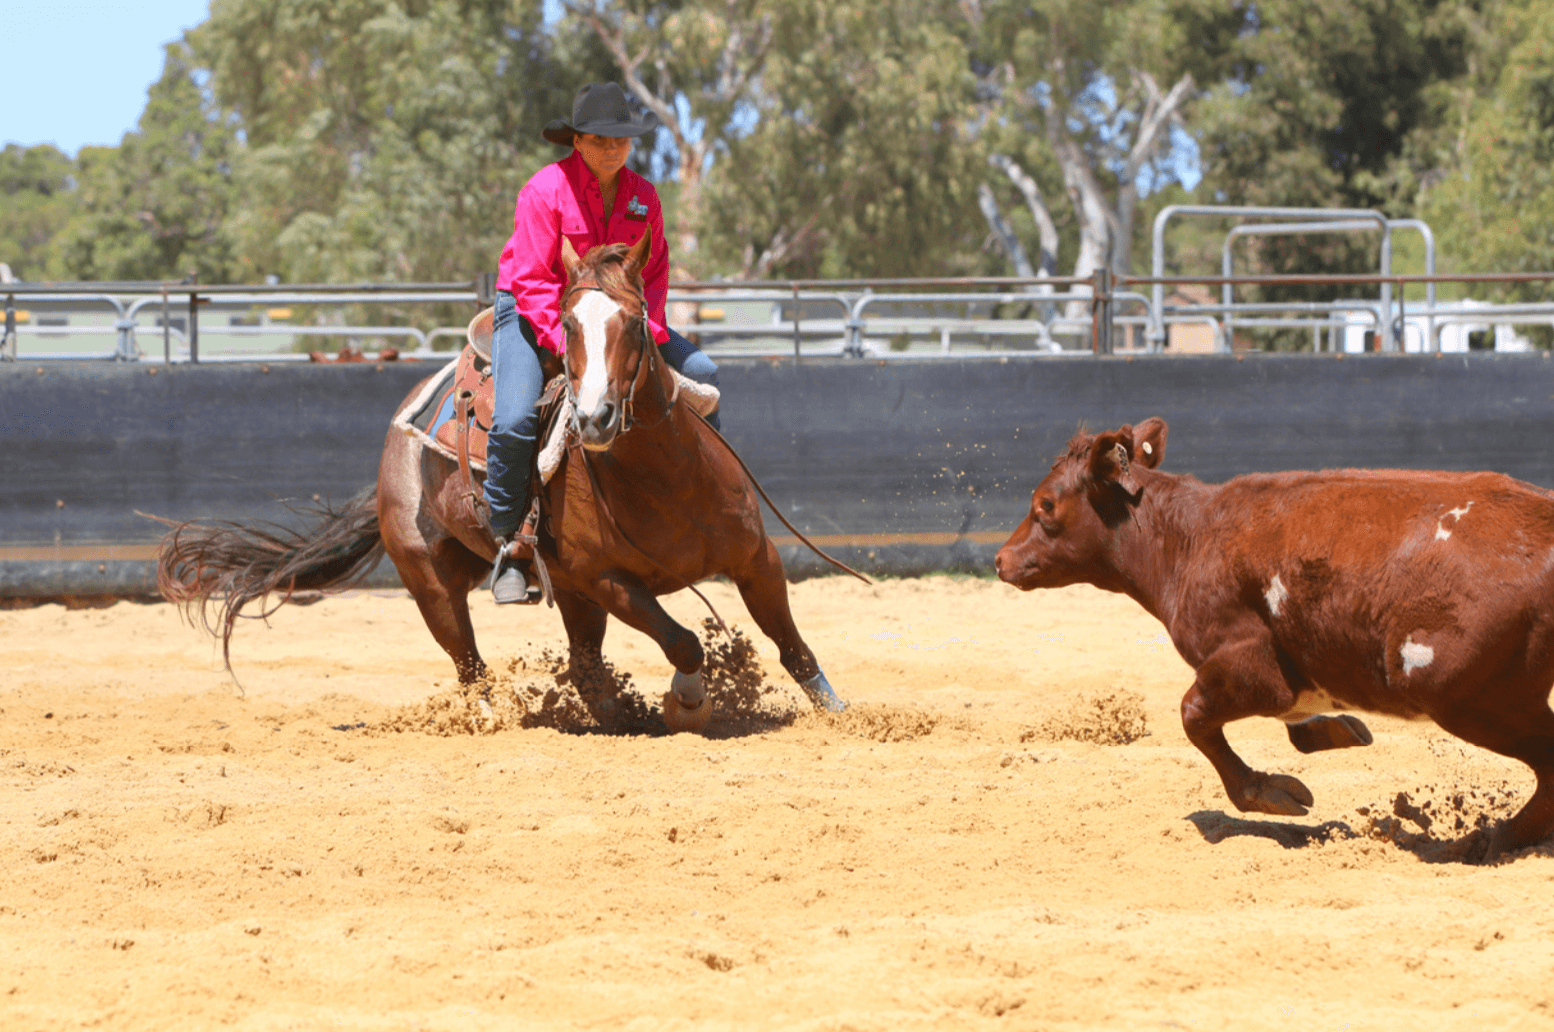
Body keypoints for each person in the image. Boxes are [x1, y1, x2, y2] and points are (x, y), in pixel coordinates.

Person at [486, 82, 721, 604]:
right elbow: (531, 279)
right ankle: (510, 544)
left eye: (621, 141)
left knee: (703, 373)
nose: (611, 150)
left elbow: (654, 272)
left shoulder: (645, 196)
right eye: (599, 140)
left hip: (620, 321)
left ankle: (707, 507)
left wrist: (648, 332)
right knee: (515, 419)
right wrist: (565, 342)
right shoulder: (545, 191)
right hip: (534, 314)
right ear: (576, 141)